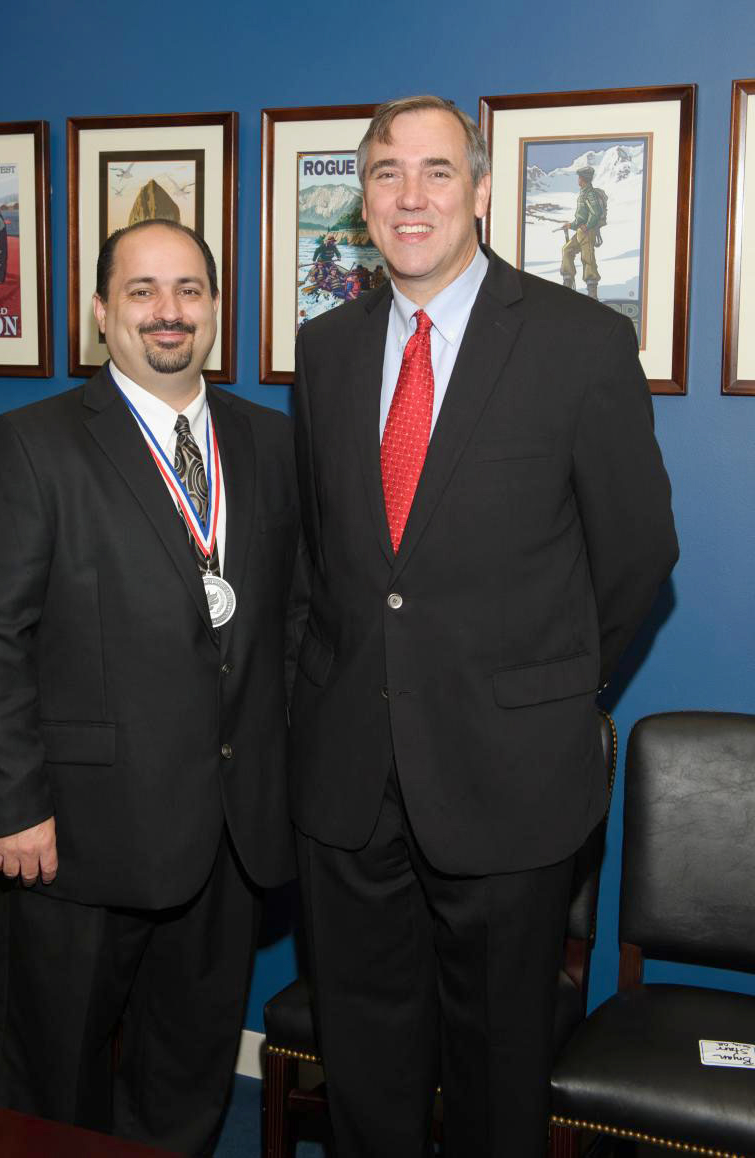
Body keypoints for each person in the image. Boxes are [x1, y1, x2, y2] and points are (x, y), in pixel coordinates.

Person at [290, 95, 677, 1158]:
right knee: (362, 1069)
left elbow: (638, 553)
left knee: (497, 1077)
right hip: (349, 780)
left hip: (510, 782)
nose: (408, 197)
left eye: (435, 171)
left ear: (479, 190)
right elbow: (329, 565)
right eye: (383, 174)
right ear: (361, 200)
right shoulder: (323, 354)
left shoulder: (578, 342)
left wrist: (546, 687)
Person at [0, 220, 301, 1155]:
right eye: (141, 291)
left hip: (227, 835)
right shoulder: (32, 444)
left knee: (183, 1083)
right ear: (102, 313)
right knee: (46, 1088)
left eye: (188, 289)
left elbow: (296, 626)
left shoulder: (271, 445)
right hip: (75, 837)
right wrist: (12, 805)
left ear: (217, 310)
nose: (168, 312)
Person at [560, 164, 604, 297]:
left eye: (579, 177)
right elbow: (580, 217)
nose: (578, 180)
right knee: (567, 250)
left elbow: (596, 212)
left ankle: (592, 292)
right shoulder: (583, 193)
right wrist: (571, 225)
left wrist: (588, 225)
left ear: (583, 179)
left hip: (587, 232)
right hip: (580, 231)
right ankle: (568, 281)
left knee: (587, 258)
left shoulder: (590, 194)